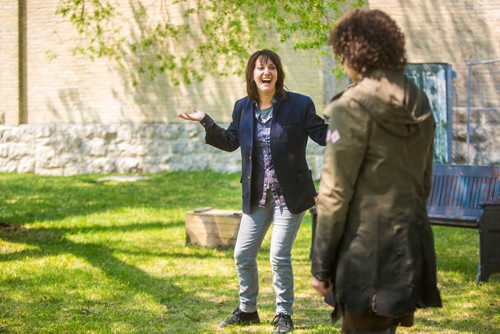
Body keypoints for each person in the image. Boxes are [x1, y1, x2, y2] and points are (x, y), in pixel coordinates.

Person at [311, 9, 442, 334]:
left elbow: (333, 194)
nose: (343, 63)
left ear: (354, 52)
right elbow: (424, 180)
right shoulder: (419, 99)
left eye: (342, 55)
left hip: (365, 255)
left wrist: (321, 266)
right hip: (410, 245)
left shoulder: (349, 107)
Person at [177, 49, 328, 333]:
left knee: (278, 255)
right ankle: (248, 310)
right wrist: (206, 120)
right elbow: (230, 140)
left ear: (278, 73)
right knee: (242, 254)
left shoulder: (299, 105)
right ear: (252, 75)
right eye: (260, 68)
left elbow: (322, 134)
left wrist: (352, 124)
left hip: (290, 195)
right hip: (257, 196)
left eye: (271, 67)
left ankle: (284, 313)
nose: (266, 72)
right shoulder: (242, 107)